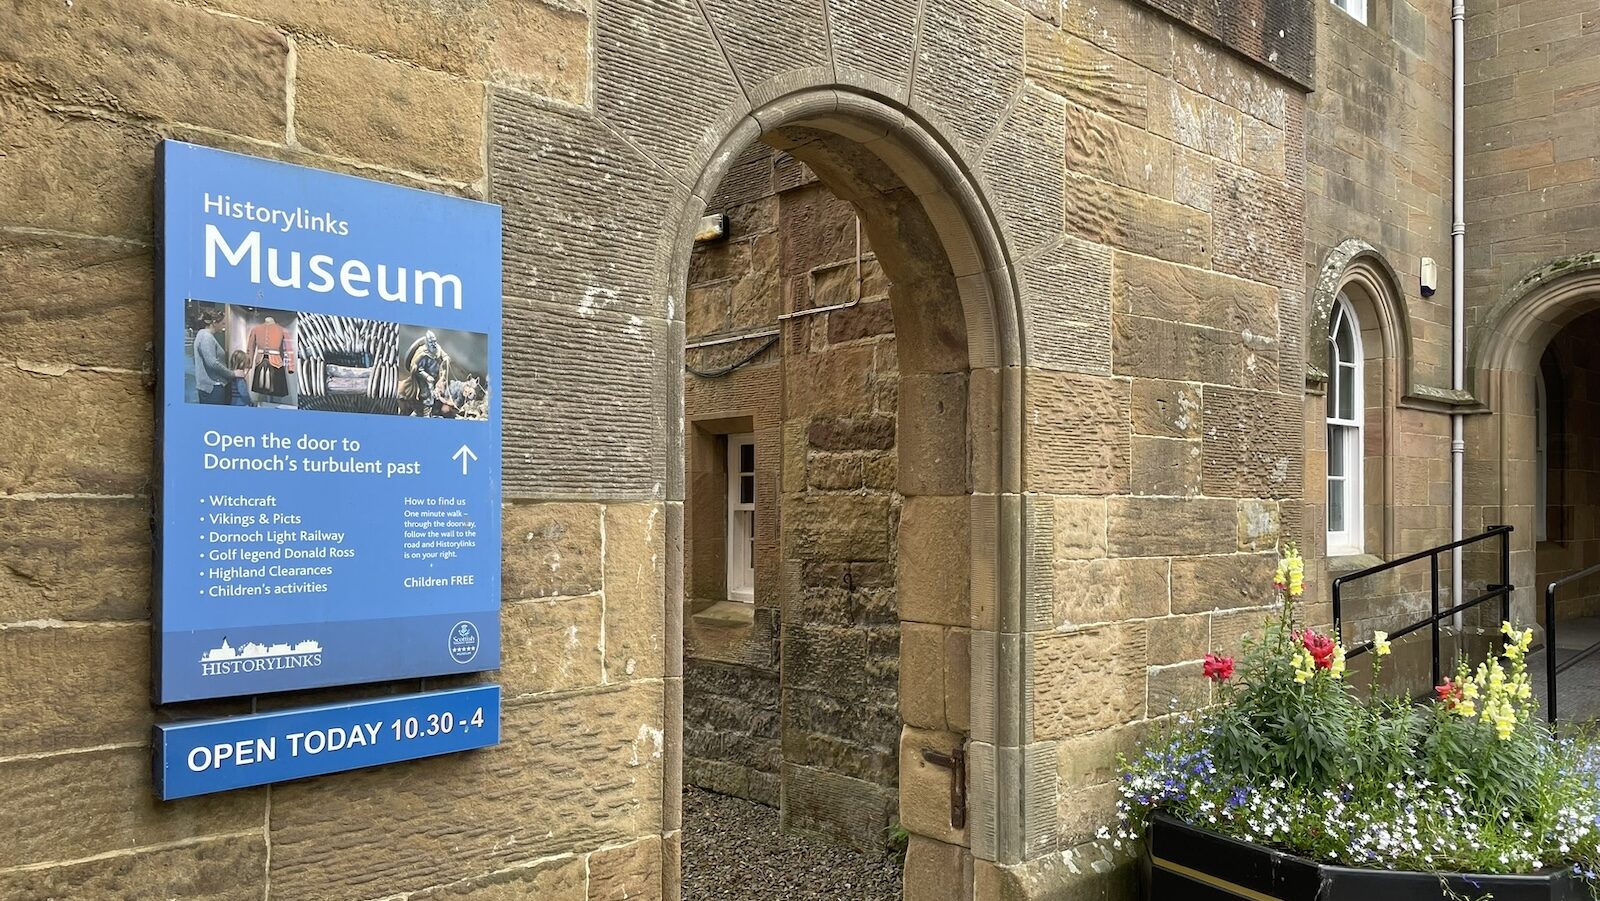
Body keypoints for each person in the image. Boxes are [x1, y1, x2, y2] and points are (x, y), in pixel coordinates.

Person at [192, 312, 232, 405]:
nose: (224, 327)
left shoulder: (205, 336)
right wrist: (232, 374)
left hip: (212, 387)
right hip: (212, 388)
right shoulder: (206, 337)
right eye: (223, 323)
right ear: (214, 322)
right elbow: (212, 363)